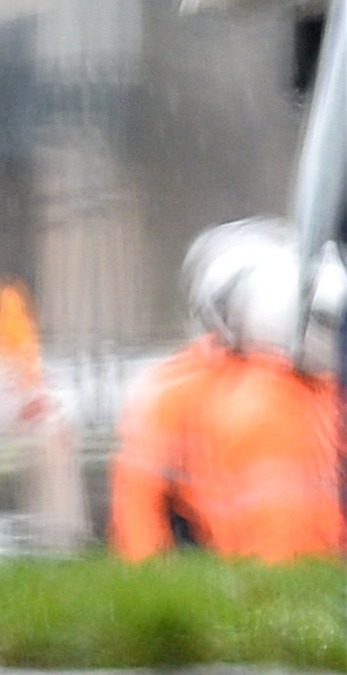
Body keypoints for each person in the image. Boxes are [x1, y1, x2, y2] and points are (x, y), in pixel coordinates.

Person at [108, 220, 343, 562]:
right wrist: (154, 581)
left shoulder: (305, 387)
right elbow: (139, 502)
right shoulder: (193, 389)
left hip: (297, 575)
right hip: (247, 573)